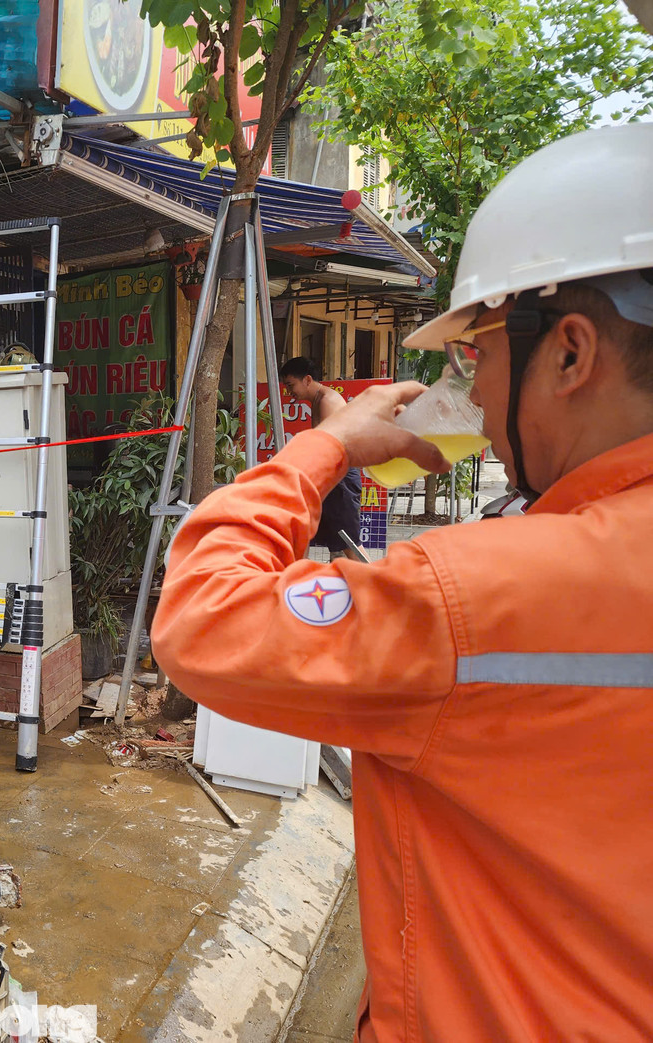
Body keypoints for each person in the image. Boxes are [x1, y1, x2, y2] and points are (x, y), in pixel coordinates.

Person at [151, 122, 653, 1041]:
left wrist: (328, 444)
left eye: (481, 353)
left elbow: (198, 615)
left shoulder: (470, 599)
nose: (466, 387)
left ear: (571, 352)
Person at [280, 356, 362, 558]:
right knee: (306, 528)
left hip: (339, 477)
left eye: (291, 385)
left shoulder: (328, 401)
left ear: (307, 379)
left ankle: (371, 584)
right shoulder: (317, 401)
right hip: (328, 478)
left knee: (348, 541)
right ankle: (297, 577)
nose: (289, 392)